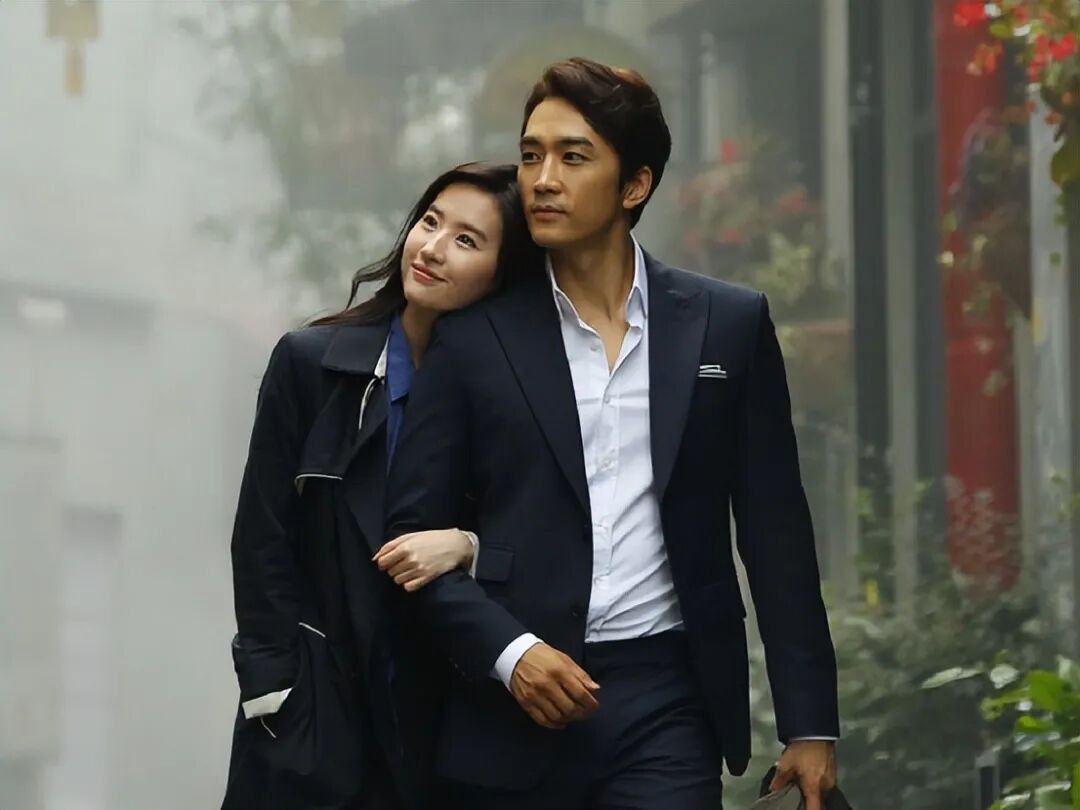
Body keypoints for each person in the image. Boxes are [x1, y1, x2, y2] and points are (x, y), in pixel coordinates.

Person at [385, 58, 840, 810]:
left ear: (635, 185)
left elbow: (775, 531)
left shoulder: (725, 325)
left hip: (666, 703)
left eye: (573, 157)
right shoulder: (474, 340)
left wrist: (811, 723)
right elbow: (409, 536)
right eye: (531, 155)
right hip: (510, 707)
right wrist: (511, 653)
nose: (542, 180)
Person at [223, 162, 543, 810]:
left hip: (444, 727)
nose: (432, 248)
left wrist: (468, 545)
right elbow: (261, 540)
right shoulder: (311, 365)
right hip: (314, 717)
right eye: (430, 222)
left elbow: (540, 540)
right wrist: (273, 692)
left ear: (504, 273)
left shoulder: (518, 401)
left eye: (466, 240)